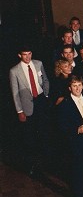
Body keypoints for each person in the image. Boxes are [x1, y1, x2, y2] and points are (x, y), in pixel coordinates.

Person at [9, 46, 50, 175]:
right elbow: (15, 93)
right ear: (19, 55)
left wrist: (46, 95)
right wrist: (19, 111)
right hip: (27, 106)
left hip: (41, 101)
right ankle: (33, 164)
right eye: (25, 54)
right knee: (30, 136)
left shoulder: (38, 63)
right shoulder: (14, 71)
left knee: (44, 132)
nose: (28, 57)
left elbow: (45, 80)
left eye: (29, 54)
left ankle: (47, 163)